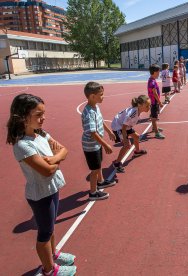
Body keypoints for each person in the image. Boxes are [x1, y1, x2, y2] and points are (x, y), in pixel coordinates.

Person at [7, 94, 77, 275]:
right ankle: (49, 269)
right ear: (23, 116)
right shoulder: (22, 145)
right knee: (45, 232)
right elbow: (46, 171)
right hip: (40, 194)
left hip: (51, 188)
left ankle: (53, 254)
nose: (43, 118)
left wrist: (54, 159)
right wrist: (55, 162)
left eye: (43, 114)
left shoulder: (42, 134)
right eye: (38, 115)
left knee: (51, 225)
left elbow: (64, 150)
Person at [81, 82, 117, 201]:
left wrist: (109, 132)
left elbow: (101, 121)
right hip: (91, 146)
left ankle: (101, 182)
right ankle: (93, 192)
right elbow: (92, 132)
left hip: (96, 144)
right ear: (92, 96)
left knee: (98, 165)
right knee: (94, 170)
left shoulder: (95, 107)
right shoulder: (89, 113)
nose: (103, 97)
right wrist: (105, 144)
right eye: (100, 95)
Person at [111, 95, 151, 173]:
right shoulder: (133, 113)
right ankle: (117, 163)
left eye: (149, 105)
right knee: (127, 145)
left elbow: (127, 124)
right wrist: (125, 139)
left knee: (136, 137)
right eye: (147, 106)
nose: (149, 107)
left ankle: (137, 151)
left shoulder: (137, 110)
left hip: (125, 125)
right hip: (118, 126)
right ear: (140, 105)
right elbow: (123, 127)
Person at [148, 64, 165, 139]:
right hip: (154, 102)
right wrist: (160, 102)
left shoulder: (152, 80)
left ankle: (154, 128)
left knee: (154, 116)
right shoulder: (152, 82)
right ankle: (157, 133)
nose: (159, 74)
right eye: (158, 72)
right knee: (154, 118)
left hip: (154, 102)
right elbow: (154, 93)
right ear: (154, 72)